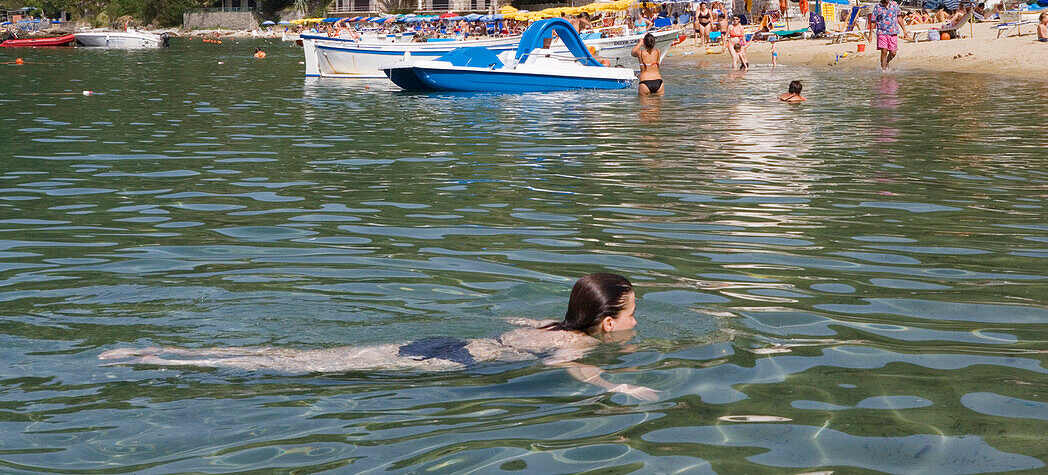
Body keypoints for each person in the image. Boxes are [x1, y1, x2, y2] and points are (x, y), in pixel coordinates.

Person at [99, 273, 657, 400]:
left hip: (441, 344)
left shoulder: (554, 324)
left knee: (301, 358)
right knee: (299, 365)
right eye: (631, 314)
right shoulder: (575, 343)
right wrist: (623, 390)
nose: (635, 321)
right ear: (607, 323)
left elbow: (516, 326)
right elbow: (576, 369)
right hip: (443, 364)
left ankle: (156, 352)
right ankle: (155, 358)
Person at [869, 0, 908, 70]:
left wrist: (904, 30)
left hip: (893, 32)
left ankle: (886, 63)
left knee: (893, 53)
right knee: (884, 51)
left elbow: (899, 17)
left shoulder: (894, 5)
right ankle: (883, 69)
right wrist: (870, 34)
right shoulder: (878, 7)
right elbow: (873, 21)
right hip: (881, 32)